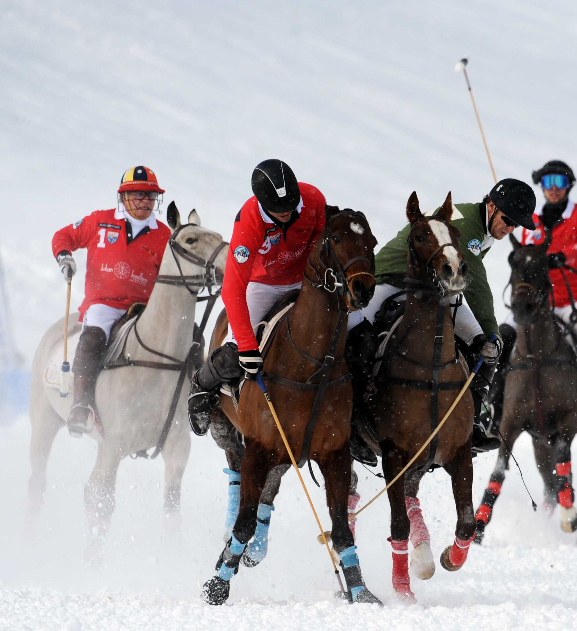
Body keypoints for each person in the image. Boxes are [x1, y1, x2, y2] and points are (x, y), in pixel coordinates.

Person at [356, 178, 537, 453]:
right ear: (491, 205)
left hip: (432, 289)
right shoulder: (468, 226)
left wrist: (489, 337)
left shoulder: (483, 229)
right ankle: (351, 417)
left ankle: (471, 421)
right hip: (391, 280)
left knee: (487, 348)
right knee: (355, 337)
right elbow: (475, 285)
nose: (510, 228)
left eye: (516, 225)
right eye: (508, 219)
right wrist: (492, 328)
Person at [188, 159, 356, 435]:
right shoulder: (249, 223)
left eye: (291, 206)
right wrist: (246, 345)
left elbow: (320, 244)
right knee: (233, 354)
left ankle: (358, 416)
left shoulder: (313, 200)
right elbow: (232, 288)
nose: (287, 213)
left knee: (356, 331)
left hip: (307, 280)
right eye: (279, 211)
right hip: (262, 285)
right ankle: (201, 387)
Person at [51, 166, 170, 437]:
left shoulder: (164, 235)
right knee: (93, 338)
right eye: (139, 195)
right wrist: (64, 256)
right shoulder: (100, 221)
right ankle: (80, 404)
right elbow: (63, 236)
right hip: (104, 304)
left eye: (151, 196)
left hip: (143, 308)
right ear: (125, 197)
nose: (146, 202)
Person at [496, 160, 577, 433]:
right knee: (502, 337)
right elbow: (521, 248)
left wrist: (566, 254)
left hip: (575, 298)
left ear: (569, 185)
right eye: (548, 183)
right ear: (541, 186)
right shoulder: (530, 220)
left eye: (560, 182)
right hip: (535, 300)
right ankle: (494, 404)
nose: (554, 189)